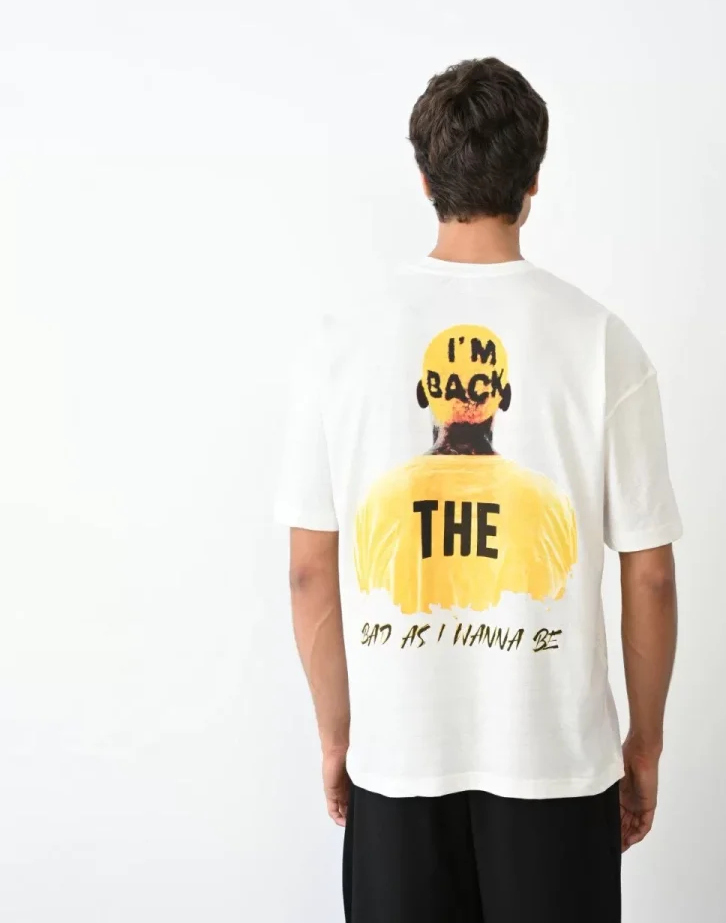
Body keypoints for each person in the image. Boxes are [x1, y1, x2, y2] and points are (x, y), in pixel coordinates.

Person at [275, 56, 682, 923]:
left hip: (397, 766)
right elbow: (649, 575)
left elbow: (309, 571)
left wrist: (337, 737)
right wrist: (644, 745)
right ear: (533, 182)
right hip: (556, 772)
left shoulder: (338, 348)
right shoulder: (599, 343)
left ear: (425, 179)